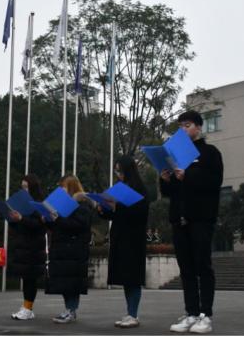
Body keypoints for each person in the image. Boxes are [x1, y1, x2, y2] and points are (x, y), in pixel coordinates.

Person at [160, 110, 223, 334]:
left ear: (198, 127)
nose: (183, 129)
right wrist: (165, 179)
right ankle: (191, 313)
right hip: (180, 218)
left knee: (202, 266)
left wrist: (188, 175)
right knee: (186, 269)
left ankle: (206, 315)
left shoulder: (209, 153)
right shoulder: (175, 155)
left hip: (201, 218)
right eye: (180, 126)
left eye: (187, 125)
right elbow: (170, 192)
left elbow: (214, 182)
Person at [97, 155, 149, 328]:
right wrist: (103, 208)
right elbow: (114, 214)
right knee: (126, 277)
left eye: (120, 170)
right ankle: (129, 313)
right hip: (120, 236)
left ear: (128, 170)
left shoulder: (139, 189)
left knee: (133, 277)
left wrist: (117, 206)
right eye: (116, 170)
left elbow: (140, 214)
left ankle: (133, 314)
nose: (118, 173)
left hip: (133, 239)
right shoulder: (119, 188)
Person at [45, 174, 92, 324]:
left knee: (72, 283)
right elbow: (57, 226)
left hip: (74, 250)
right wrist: (48, 219)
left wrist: (58, 218)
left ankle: (71, 310)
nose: (60, 190)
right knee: (64, 282)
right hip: (61, 249)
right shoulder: (60, 204)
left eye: (63, 187)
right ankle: (68, 309)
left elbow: (77, 225)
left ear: (71, 187)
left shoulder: (82, 205)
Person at [6, 173, 47, 321]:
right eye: (22, 187)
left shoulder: (39, 205)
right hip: (23, 246)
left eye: (26, 187)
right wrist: (12, 219)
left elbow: (39, 226)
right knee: (26, 278)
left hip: (33, 248)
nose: (23, 190)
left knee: (30, 279)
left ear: (33, 188)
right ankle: (26, 307)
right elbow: (18, 226)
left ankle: (28, 308)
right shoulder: (22, 204)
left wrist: (22, 218)